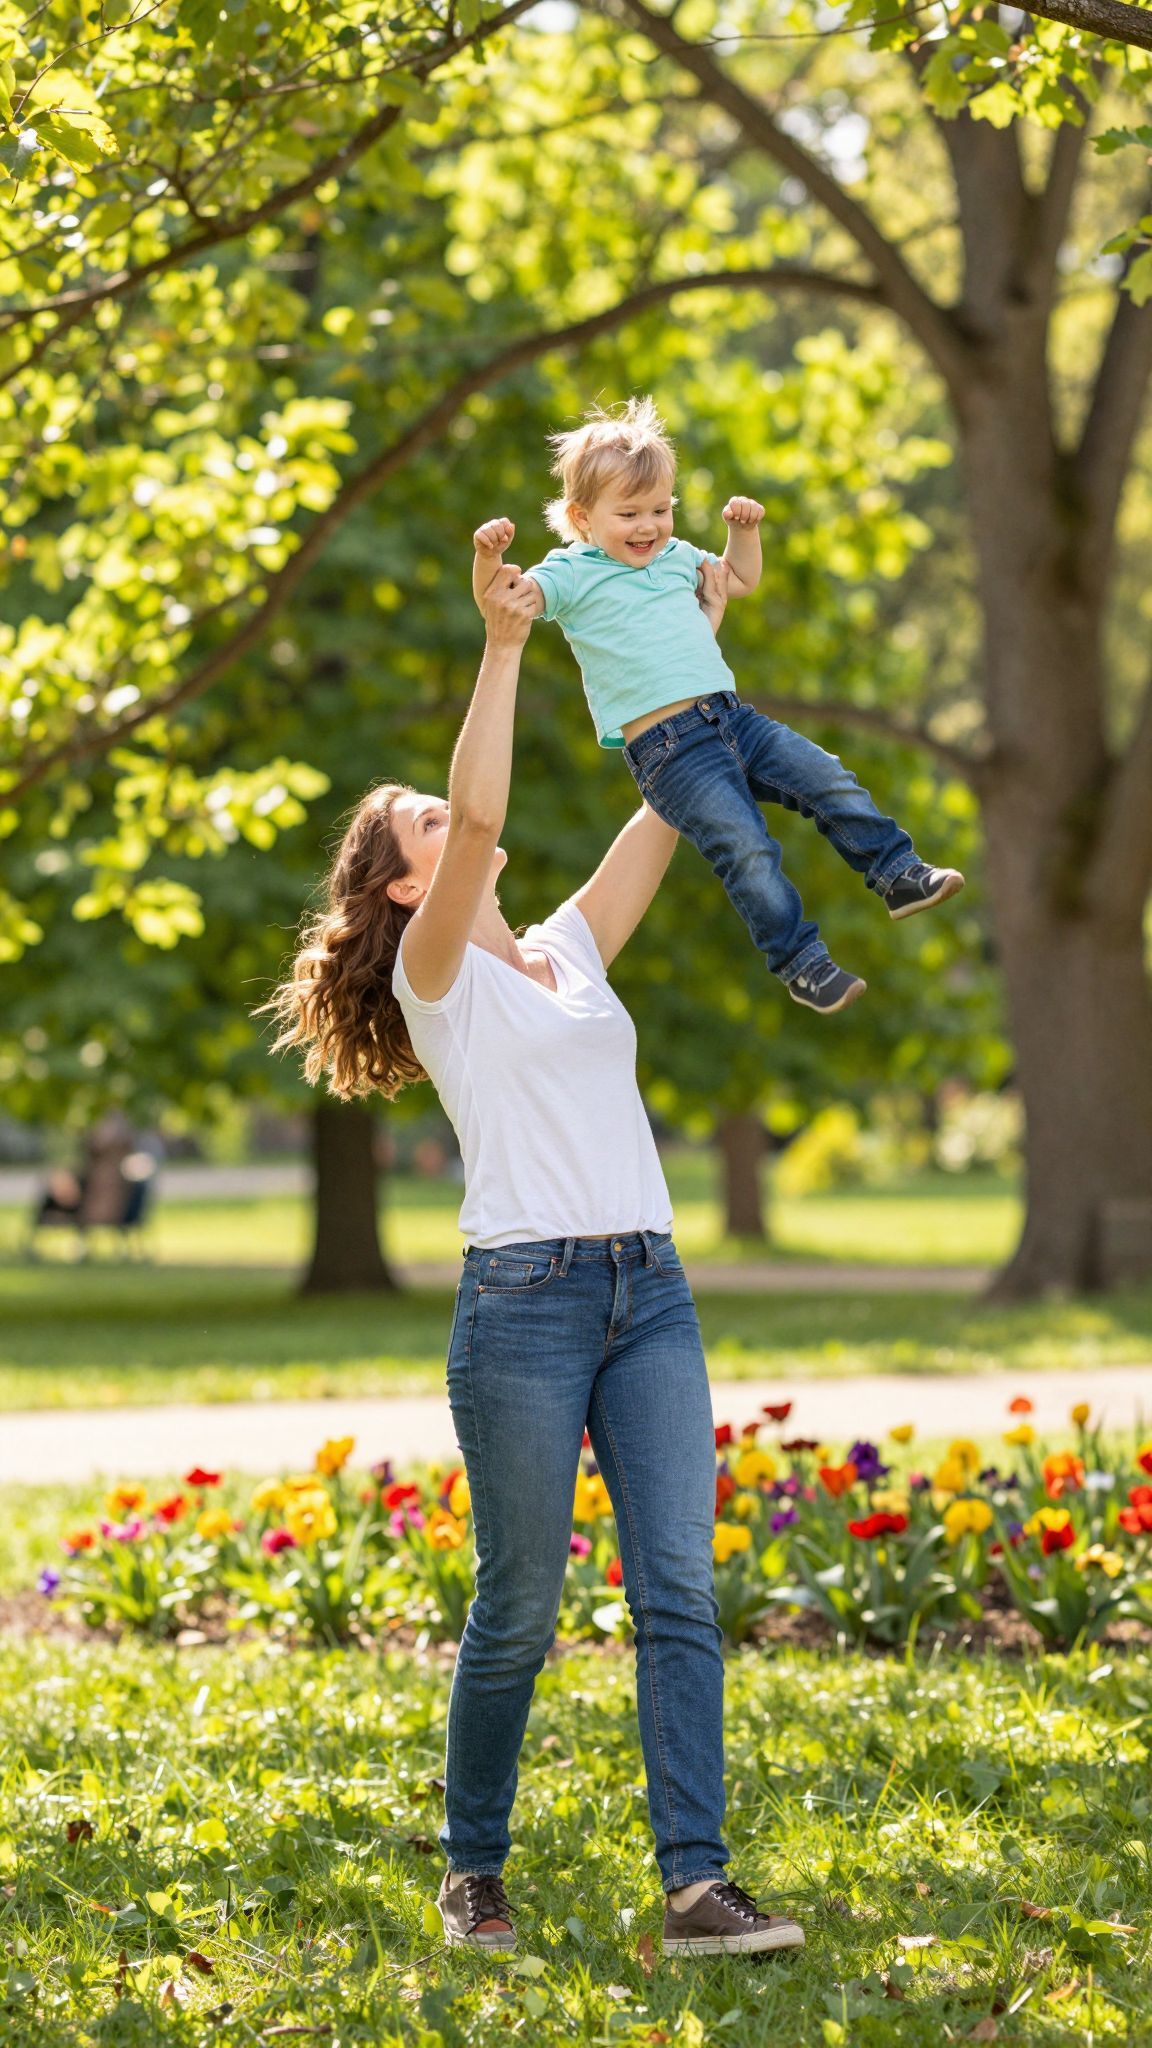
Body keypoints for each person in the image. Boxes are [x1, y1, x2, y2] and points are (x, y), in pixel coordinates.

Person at [267, 559, 804, 1963]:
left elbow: (669, 806)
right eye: (430, 819)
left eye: (447, 804)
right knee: (520, 1604)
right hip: (527, 1304)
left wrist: (685, 644)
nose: (462, 819)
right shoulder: (430, 972)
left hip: (652, 1290)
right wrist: (504, 644)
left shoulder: (566, 950)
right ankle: (473, 1871)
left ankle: (698, 1886)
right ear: (404, 880)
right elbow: (491, 803)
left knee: (678, 1591)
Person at [472, 395, 964, 1017]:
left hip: (733, 718)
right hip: (670, 752)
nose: (648, 525)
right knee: (746, 846)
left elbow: (739, 578)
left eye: (660, 508)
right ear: (582, 516)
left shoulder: (677, 558)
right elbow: (502, 600)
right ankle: (803, 964)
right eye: (629, 513)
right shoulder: (570, 573)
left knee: (827, 777)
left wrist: (743, 533)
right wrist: (488, 559)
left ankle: (898, 872)